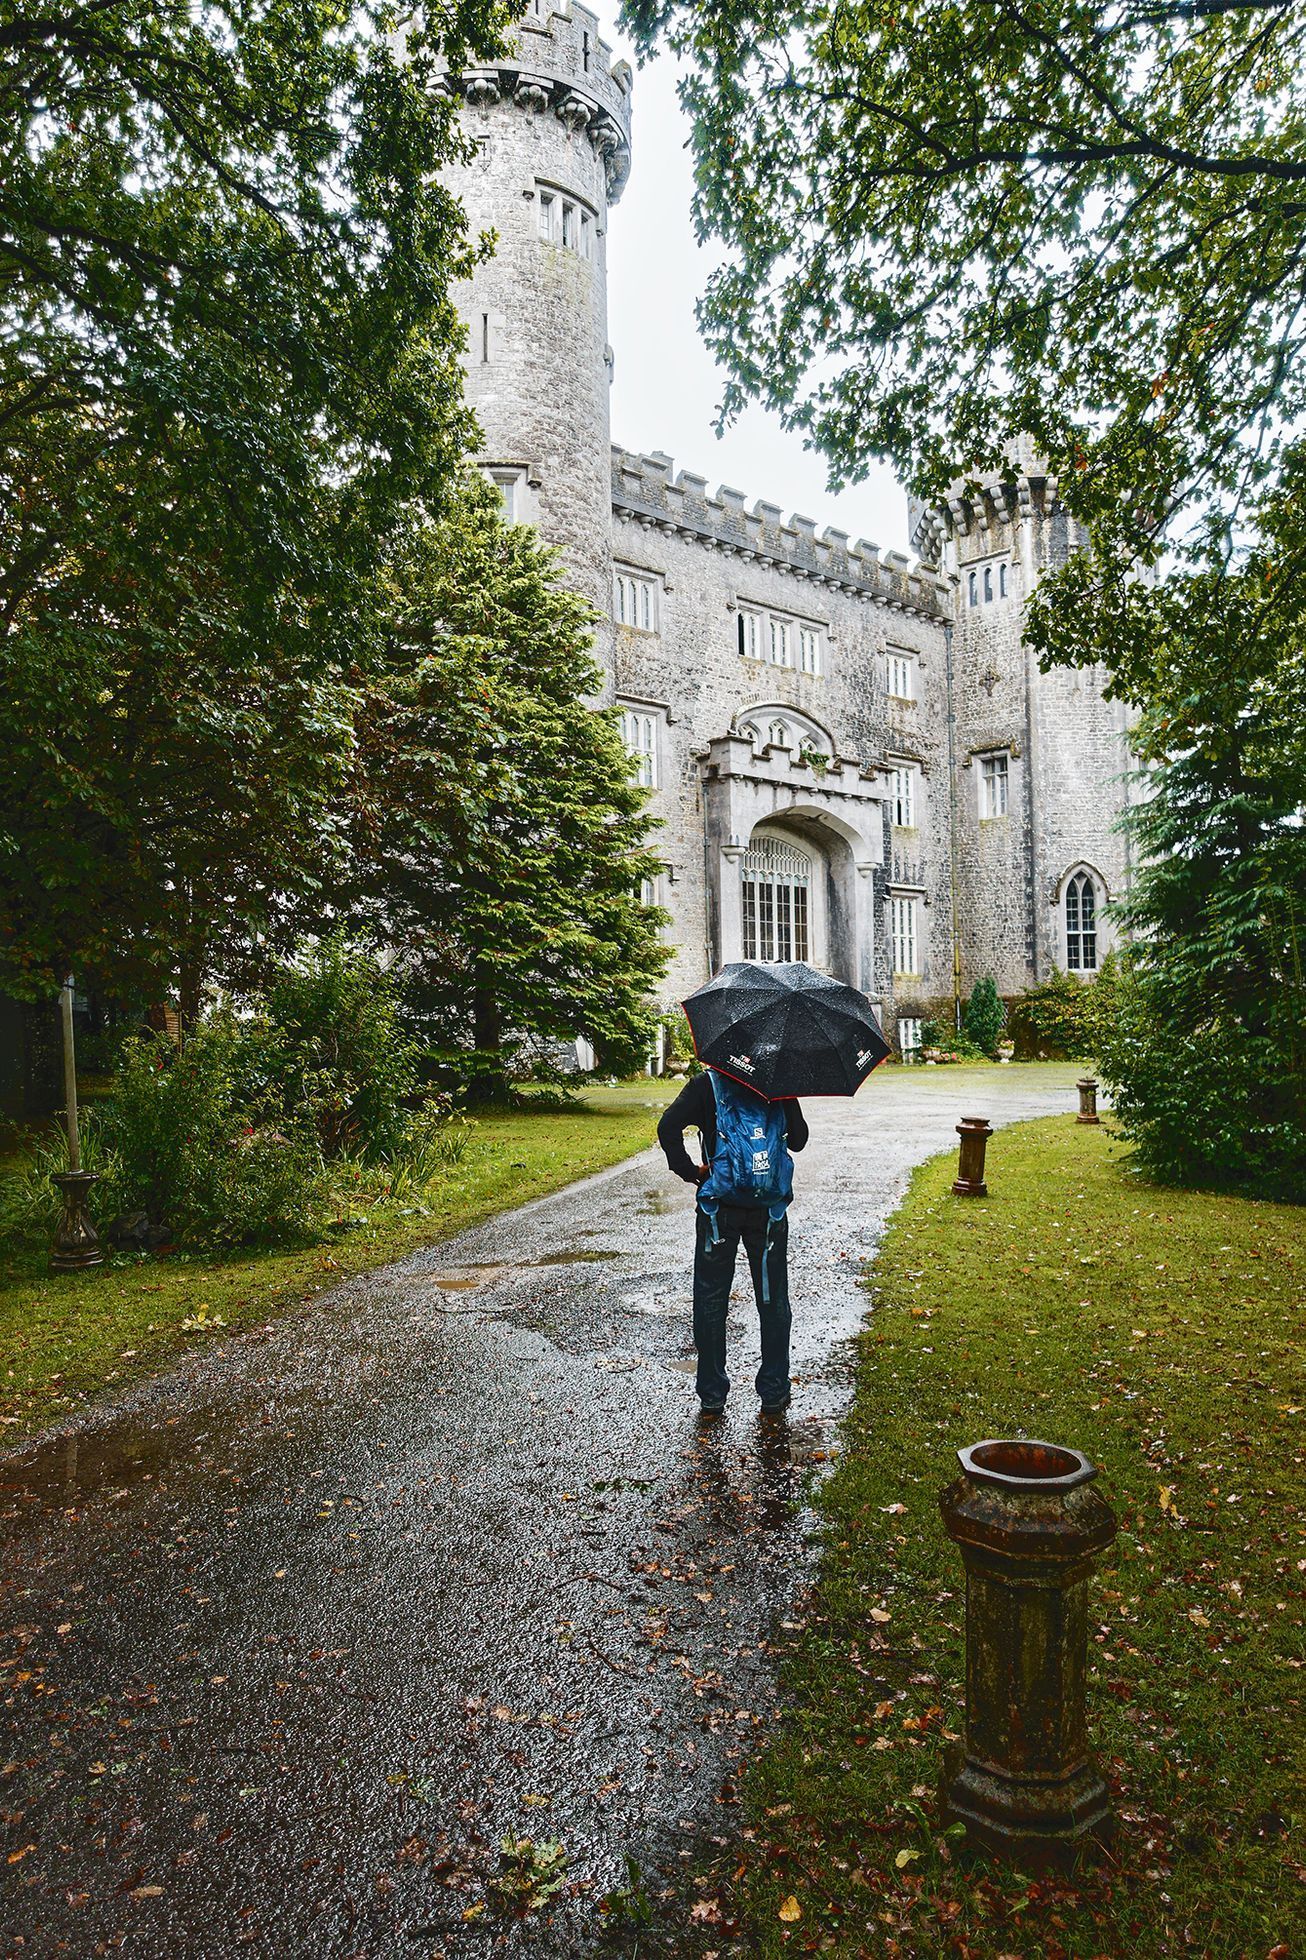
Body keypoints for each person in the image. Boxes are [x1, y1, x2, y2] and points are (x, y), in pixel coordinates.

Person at [657, 1069, 808, 1416]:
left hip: (718, 1210)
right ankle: (774, 1390)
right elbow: (798, 1139)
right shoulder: (779, 1082)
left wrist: (692, 1171)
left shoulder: (705, 1085)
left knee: (711, 1299)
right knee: (772, 1299)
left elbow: (668, 1127)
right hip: (767, 1212)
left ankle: (712, 1394)